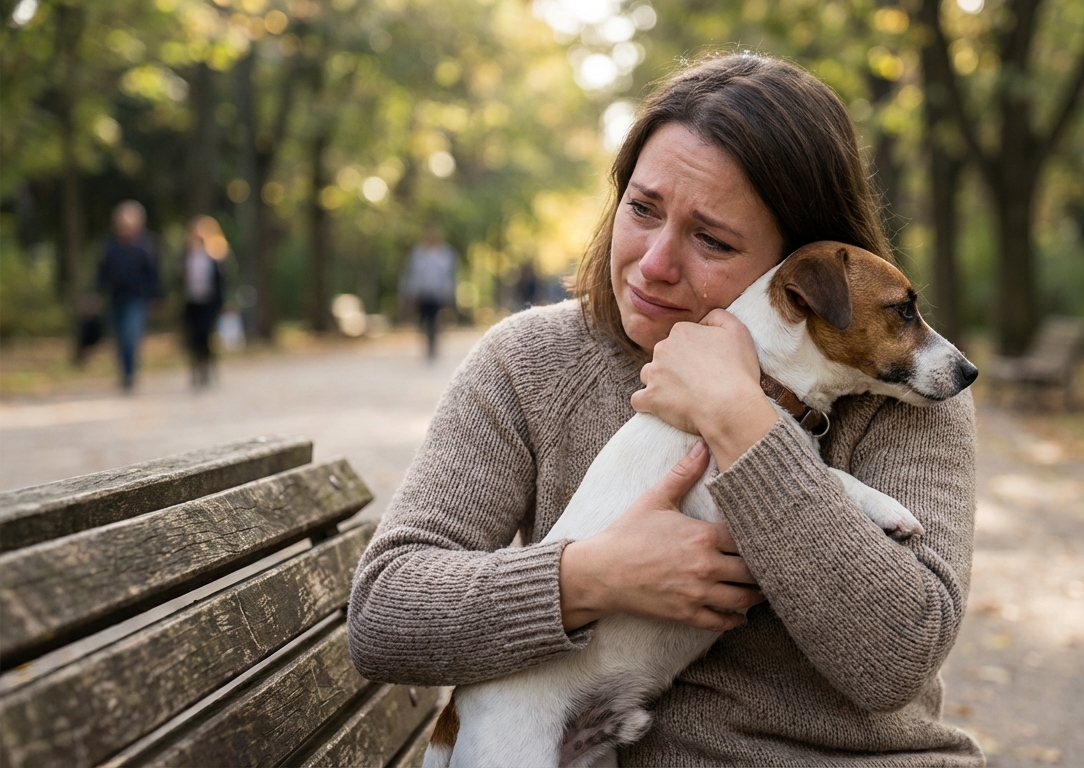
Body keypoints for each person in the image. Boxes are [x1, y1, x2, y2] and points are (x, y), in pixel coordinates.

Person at [348, 54, 982, 765]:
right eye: (642, 209)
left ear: (795, 268)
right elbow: (382, 616)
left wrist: (739, 418)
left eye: (712, 239)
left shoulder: (898, 388)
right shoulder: (529, 364)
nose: (653, 263)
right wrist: (591, 576)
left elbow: (897, 658)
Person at [96, 200, 161, 392]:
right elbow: (102, 272)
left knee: (131, 334)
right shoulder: (110, 245)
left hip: (137, 298)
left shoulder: (146, 246)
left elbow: (154, 274)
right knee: (119, 337)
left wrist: (157, 297)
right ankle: (124, 372)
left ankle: (130, 373)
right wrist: (95, 294)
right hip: (116, 297)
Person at [399, 222, 458, 361]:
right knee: (424, 320)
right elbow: (412, 274)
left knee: (434, 320)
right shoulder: (418, 253)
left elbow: (450, 276)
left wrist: (450, 295)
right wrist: (409, 294)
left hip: (438, 294)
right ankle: (427, 342)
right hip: (422, 293)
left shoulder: (446, 254)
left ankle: (433, 344)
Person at [182, 216, 227, 389]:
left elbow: (221, 282)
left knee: (207, 336)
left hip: (210, 304)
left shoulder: (216, 256)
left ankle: (207, 367)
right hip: (193, 303)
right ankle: (195, 369)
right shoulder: (187, 256)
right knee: (194, 338)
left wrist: (223, 303)